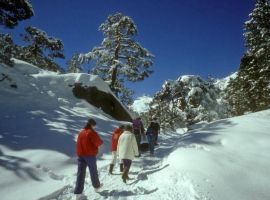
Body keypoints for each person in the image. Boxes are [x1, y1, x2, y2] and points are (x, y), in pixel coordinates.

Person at [74, 118, 103, 198]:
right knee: (93, 171)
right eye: (94, 125)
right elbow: (99, 142)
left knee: (80, 173)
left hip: (80, 155)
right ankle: (97, 187)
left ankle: (78, 193)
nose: (94, 127)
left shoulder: (81, 132)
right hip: (90, 155)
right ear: (92, 125)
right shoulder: (92, 132)